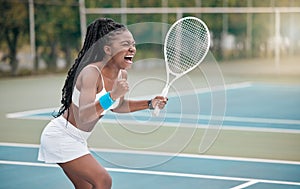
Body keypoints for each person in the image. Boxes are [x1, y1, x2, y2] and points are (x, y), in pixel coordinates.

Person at [38, 18, 167, 189]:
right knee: (103, 181)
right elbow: (84, 115)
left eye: (133, 44)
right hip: (61, 136)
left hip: (78, 139)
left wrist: (150, 103)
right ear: (107, 49)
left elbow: (118, 106)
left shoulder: (121, 75)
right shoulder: (91, 72)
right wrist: (112, 95)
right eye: (125, 44)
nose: (132, 48)